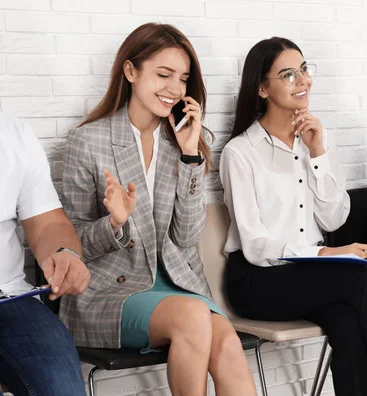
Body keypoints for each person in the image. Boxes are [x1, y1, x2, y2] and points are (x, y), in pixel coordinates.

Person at [60, 23, 256, 396]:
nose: (174, 89)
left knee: (228, 344)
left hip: (177, 283)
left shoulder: (179, 141)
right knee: (194, 316)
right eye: (163, 74)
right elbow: (70, 245)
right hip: (110, 292)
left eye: (182, 79)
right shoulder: (88, 141)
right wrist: (115, 223)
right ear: (130, 72)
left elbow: (185, 237)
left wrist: (189, 157)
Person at [219, 37, 367, 396]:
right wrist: (328, 254)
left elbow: (333, 220)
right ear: (262, 88)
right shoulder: (240, 153)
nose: (304, 81)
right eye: (288, 74)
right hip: (255, 280)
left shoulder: (318, 138)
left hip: (307, 274)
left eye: (305, 70)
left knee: (348, 324)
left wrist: (317, 154)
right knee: (356, 281)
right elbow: (254, 244)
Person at [0, 114, 89, 395]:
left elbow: (48, 223)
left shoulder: (12, 132)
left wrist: (65, 253)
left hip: (10, 298)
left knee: (60, 386)